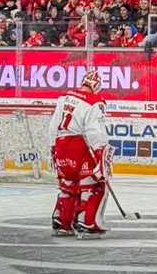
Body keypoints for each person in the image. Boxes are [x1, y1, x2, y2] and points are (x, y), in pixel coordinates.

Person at [47, 69, 110, 239]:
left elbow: (53, 126)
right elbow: (95, 130)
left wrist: (53, 148)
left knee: (69, 184)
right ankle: (88, 223)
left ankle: (62, 221)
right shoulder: (95, 102)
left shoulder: (64, 98)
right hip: (80, 148)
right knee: (94, 184)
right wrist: (100, 152)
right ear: (97, 86)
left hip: (60, 146)